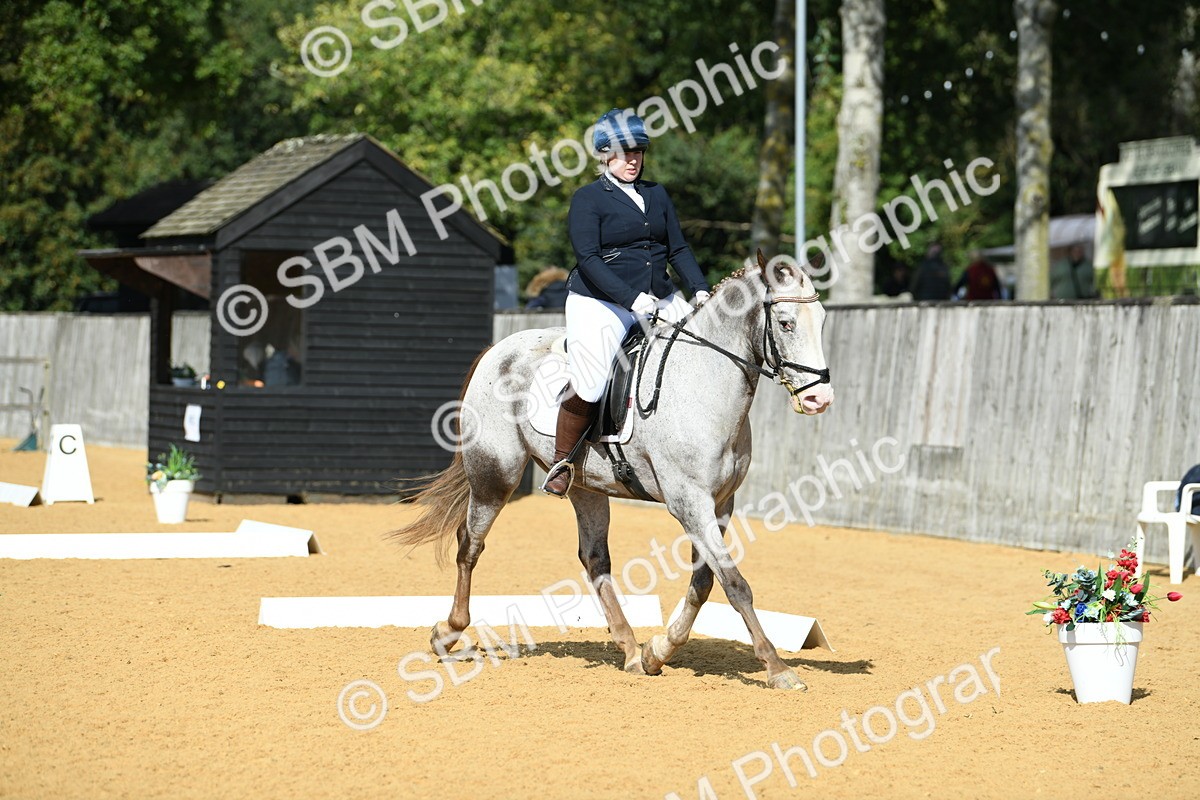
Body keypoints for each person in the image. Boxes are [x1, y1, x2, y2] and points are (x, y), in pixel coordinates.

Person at [541, 108, 711, 497]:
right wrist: (631, 298)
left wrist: (700, 289)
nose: (632, 159)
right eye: (623, 153)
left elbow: (678, 248)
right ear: (605, 155)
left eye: (638, 152)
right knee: (593, 376)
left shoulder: (656, 194)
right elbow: (589, 259)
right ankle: (562, 461)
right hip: (601, 302)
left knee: (704, 347)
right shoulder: (588, 199)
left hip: (659, 296)